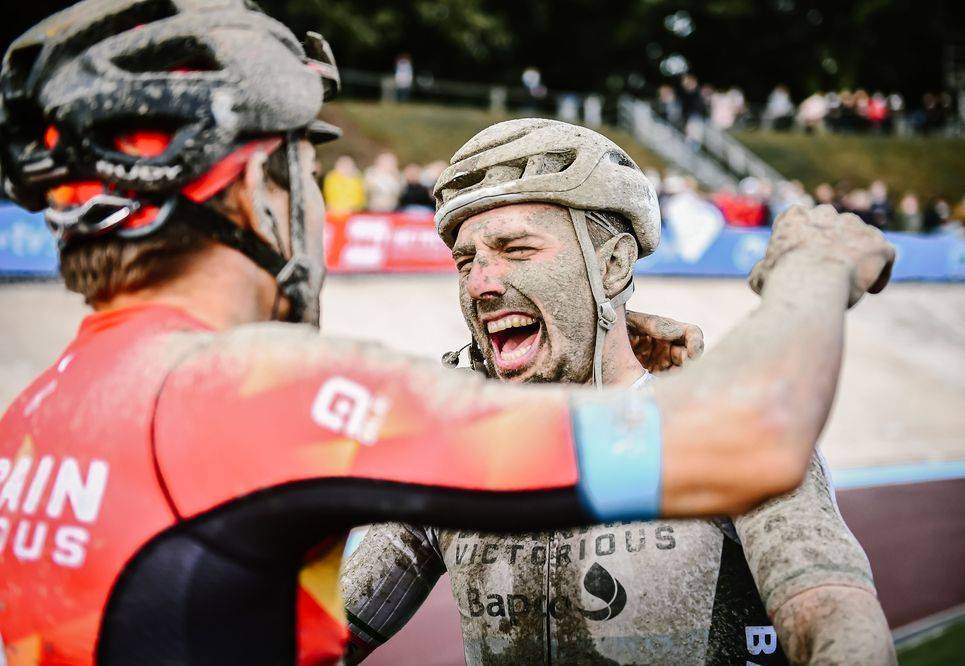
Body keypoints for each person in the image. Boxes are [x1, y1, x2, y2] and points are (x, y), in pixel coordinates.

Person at [0, 4, 895, 663]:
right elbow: (754, 429)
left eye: (513, 247)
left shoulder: (33, 419)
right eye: (308, 172)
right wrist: (812, 265)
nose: (483, 279)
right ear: (252, 194)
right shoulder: (269, 390)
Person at [341, 120, 895, 665]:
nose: (481, 283)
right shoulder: (453, 458)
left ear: (612, 266)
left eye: (516, 249)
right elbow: (313, 639)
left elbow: (845, 633)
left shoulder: (724, 433)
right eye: (467, 261)